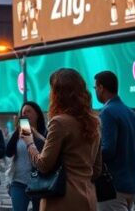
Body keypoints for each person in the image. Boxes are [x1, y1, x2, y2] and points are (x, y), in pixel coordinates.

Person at [22, 68, 103, 211]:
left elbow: (43, 164)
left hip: (62, 200)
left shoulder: (59, 122)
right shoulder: (94, 123)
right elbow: (96, 169)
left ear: (57, 94)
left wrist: (29, 142)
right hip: (88, 197)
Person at [94, 71, 135, 211]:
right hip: (132, 185)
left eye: (95, 88)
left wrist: (89, 156)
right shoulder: (132, 114)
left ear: (101, 88)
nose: (95, 91)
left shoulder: (107, 112)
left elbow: (108, 150)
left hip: (113, 187)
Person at [6, 101, 48, 211]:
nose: (25, 114)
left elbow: (44, 151)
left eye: (28, 111)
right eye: (23, 112)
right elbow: (8, 152)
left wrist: (34, 134)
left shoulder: (45, 133)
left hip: (39, 182)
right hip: (18, 182)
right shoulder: (18, 134)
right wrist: (17, 130)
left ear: (37, 114)